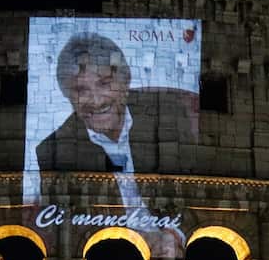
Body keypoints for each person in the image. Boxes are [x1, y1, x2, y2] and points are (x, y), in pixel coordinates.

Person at [34, 32, 197, 212]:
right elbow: (64, 223)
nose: (96, 101)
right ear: (67, 95)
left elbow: (197, 197)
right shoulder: (49, 150)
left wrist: (173, 234)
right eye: (81, 90)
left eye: (104, 83)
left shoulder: (170, 111)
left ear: (125, 80)